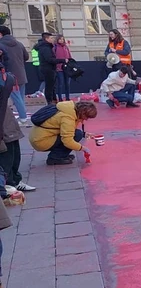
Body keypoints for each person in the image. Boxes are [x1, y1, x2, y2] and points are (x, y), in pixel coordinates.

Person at [28, 100, 97, 165]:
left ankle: (61, 155)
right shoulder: (67, 118)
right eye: (87, 117)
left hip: (37, 137)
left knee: (78, 133)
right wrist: (83, 148)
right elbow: (67, 141)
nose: (87, 119)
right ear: (83, 113)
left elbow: (69, 130)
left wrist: (84, 134)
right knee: (76, 135)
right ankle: (55, 157)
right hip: (41, 141)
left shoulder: (69, 108)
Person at [0, 62, 34, 192]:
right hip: (3, 120)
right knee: (6, 152)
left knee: (13, 149)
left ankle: (14, 181)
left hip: (6, 117)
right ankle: (7, 184)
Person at [0, 26, 31, 125]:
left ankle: (23, 118)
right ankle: (23, 116)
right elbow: (26, 57)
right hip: (21, 73)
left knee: (16, 97)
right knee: (20, 97)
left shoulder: (1, 44)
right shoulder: (19, 44)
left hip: (9, 75)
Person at [35, 32, 64, 105]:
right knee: (49, 87)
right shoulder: (45, 48)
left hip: (49, 68)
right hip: (48, 69)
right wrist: (62, 60)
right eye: (51, 38)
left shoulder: (47, 47)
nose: (53, 39)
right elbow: (49, 59)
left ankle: (53, 100)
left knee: (51, 86)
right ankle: (50, 102)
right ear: (46, 39)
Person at [53, 35, 73, 102]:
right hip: (59, 68)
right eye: (60, 39)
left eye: (62, 39)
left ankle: (67, 97)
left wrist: (71, 64)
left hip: (67, 68)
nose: (61, 40)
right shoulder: (55, 47)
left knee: (67, 83)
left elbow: (69, 56)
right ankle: (60, 98)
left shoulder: (66, 47)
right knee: (60, 83)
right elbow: (54, 58)